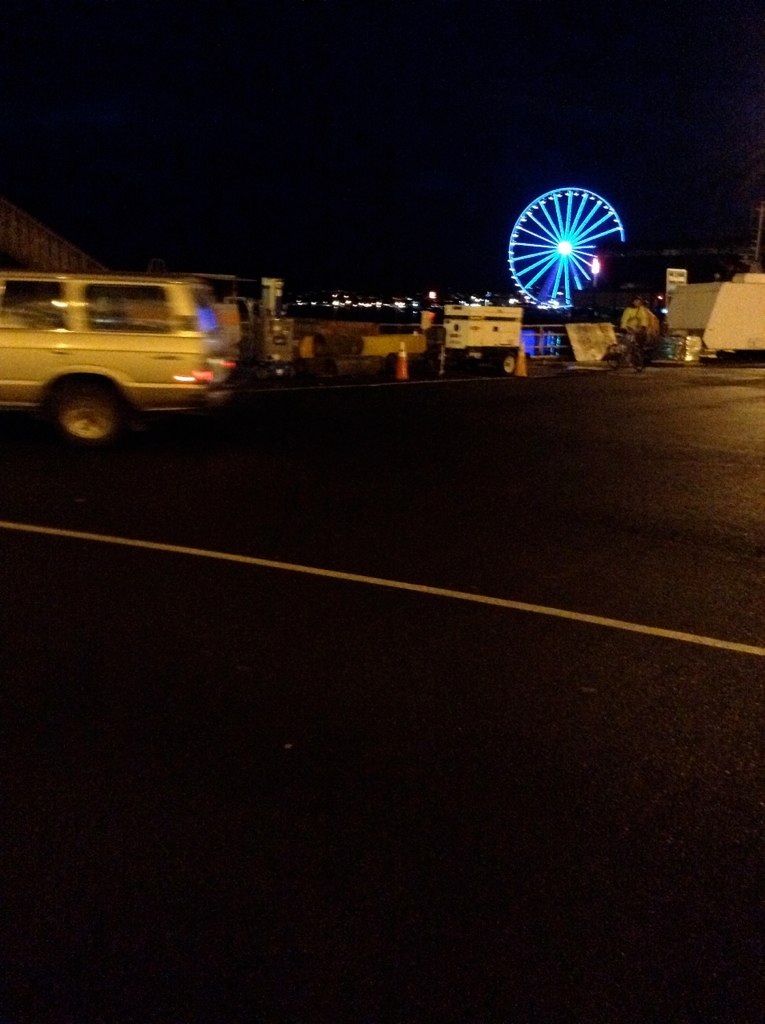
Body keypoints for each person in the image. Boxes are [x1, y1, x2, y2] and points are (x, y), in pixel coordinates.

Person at [620, 296, 655, 362]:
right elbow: (624, 319)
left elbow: (643, 318)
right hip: (629, 328)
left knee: (638, 343)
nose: (637, 303)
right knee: (628, 343)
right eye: (636, 301)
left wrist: (643, 326)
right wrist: (624, 328)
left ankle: (636, 358)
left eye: (639, 301)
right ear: (632, 302)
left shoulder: (640, 309)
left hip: (637, 328)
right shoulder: (628, 310)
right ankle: (625, 357)